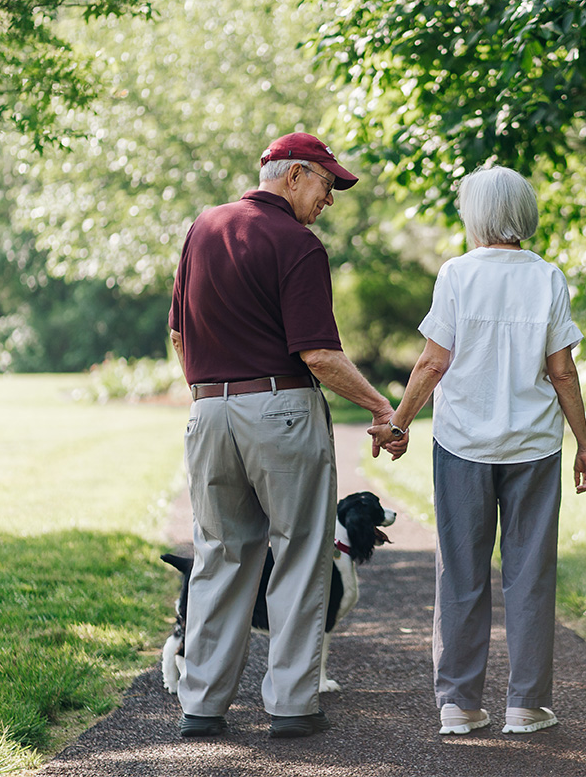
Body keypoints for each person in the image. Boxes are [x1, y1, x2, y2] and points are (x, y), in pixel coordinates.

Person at [169, 132, 399, 739]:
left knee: (220, 554)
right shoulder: (298, 243)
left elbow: (178, 336)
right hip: (281, 408)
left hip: (208, 411)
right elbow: (319, 354)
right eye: (327, 185)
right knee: (300, 553)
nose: (329, 200)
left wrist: (218, 390)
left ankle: (203, 708)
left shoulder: (203, 228)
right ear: (294, 175)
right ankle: (294, 706)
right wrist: (382, 408)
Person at [370, 165, 586, 736]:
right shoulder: (548, 277)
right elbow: (562, 371)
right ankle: (525, 705)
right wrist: (584, 445)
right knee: (530, 575)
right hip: (533, 447)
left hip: (463, 446)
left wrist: (398, 424)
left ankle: (459, 705)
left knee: (462, 574)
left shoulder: (456, 275)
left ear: (478, 215)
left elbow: (432, 362)